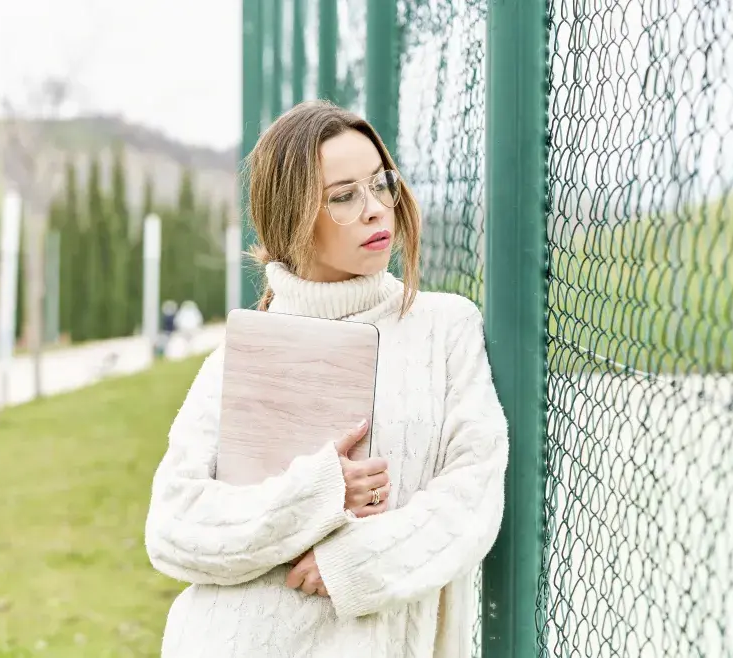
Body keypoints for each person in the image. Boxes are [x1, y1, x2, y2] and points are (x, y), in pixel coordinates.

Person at [144, 99, 509, 657]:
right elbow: (173, 528)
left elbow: (473, 492)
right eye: (343, 196)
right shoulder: (245, 350)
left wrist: (354, 563)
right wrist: (318, 492)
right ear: (291, 216)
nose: (375, 209)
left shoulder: (445, 327)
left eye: (381, 184)